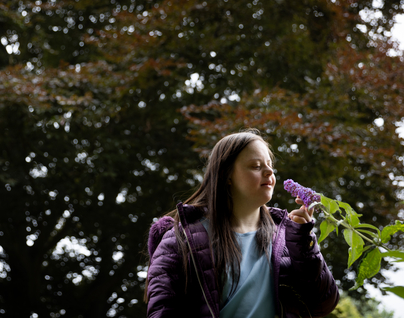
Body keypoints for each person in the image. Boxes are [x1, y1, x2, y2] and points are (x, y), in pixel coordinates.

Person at [144, 130, 339, 318]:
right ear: (227, 175)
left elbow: (323, 304)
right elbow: (163, 311)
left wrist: (303, 242)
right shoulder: (180, 240)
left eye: (270, 165)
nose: (269, 171)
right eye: (256, 166)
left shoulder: (289, 237)